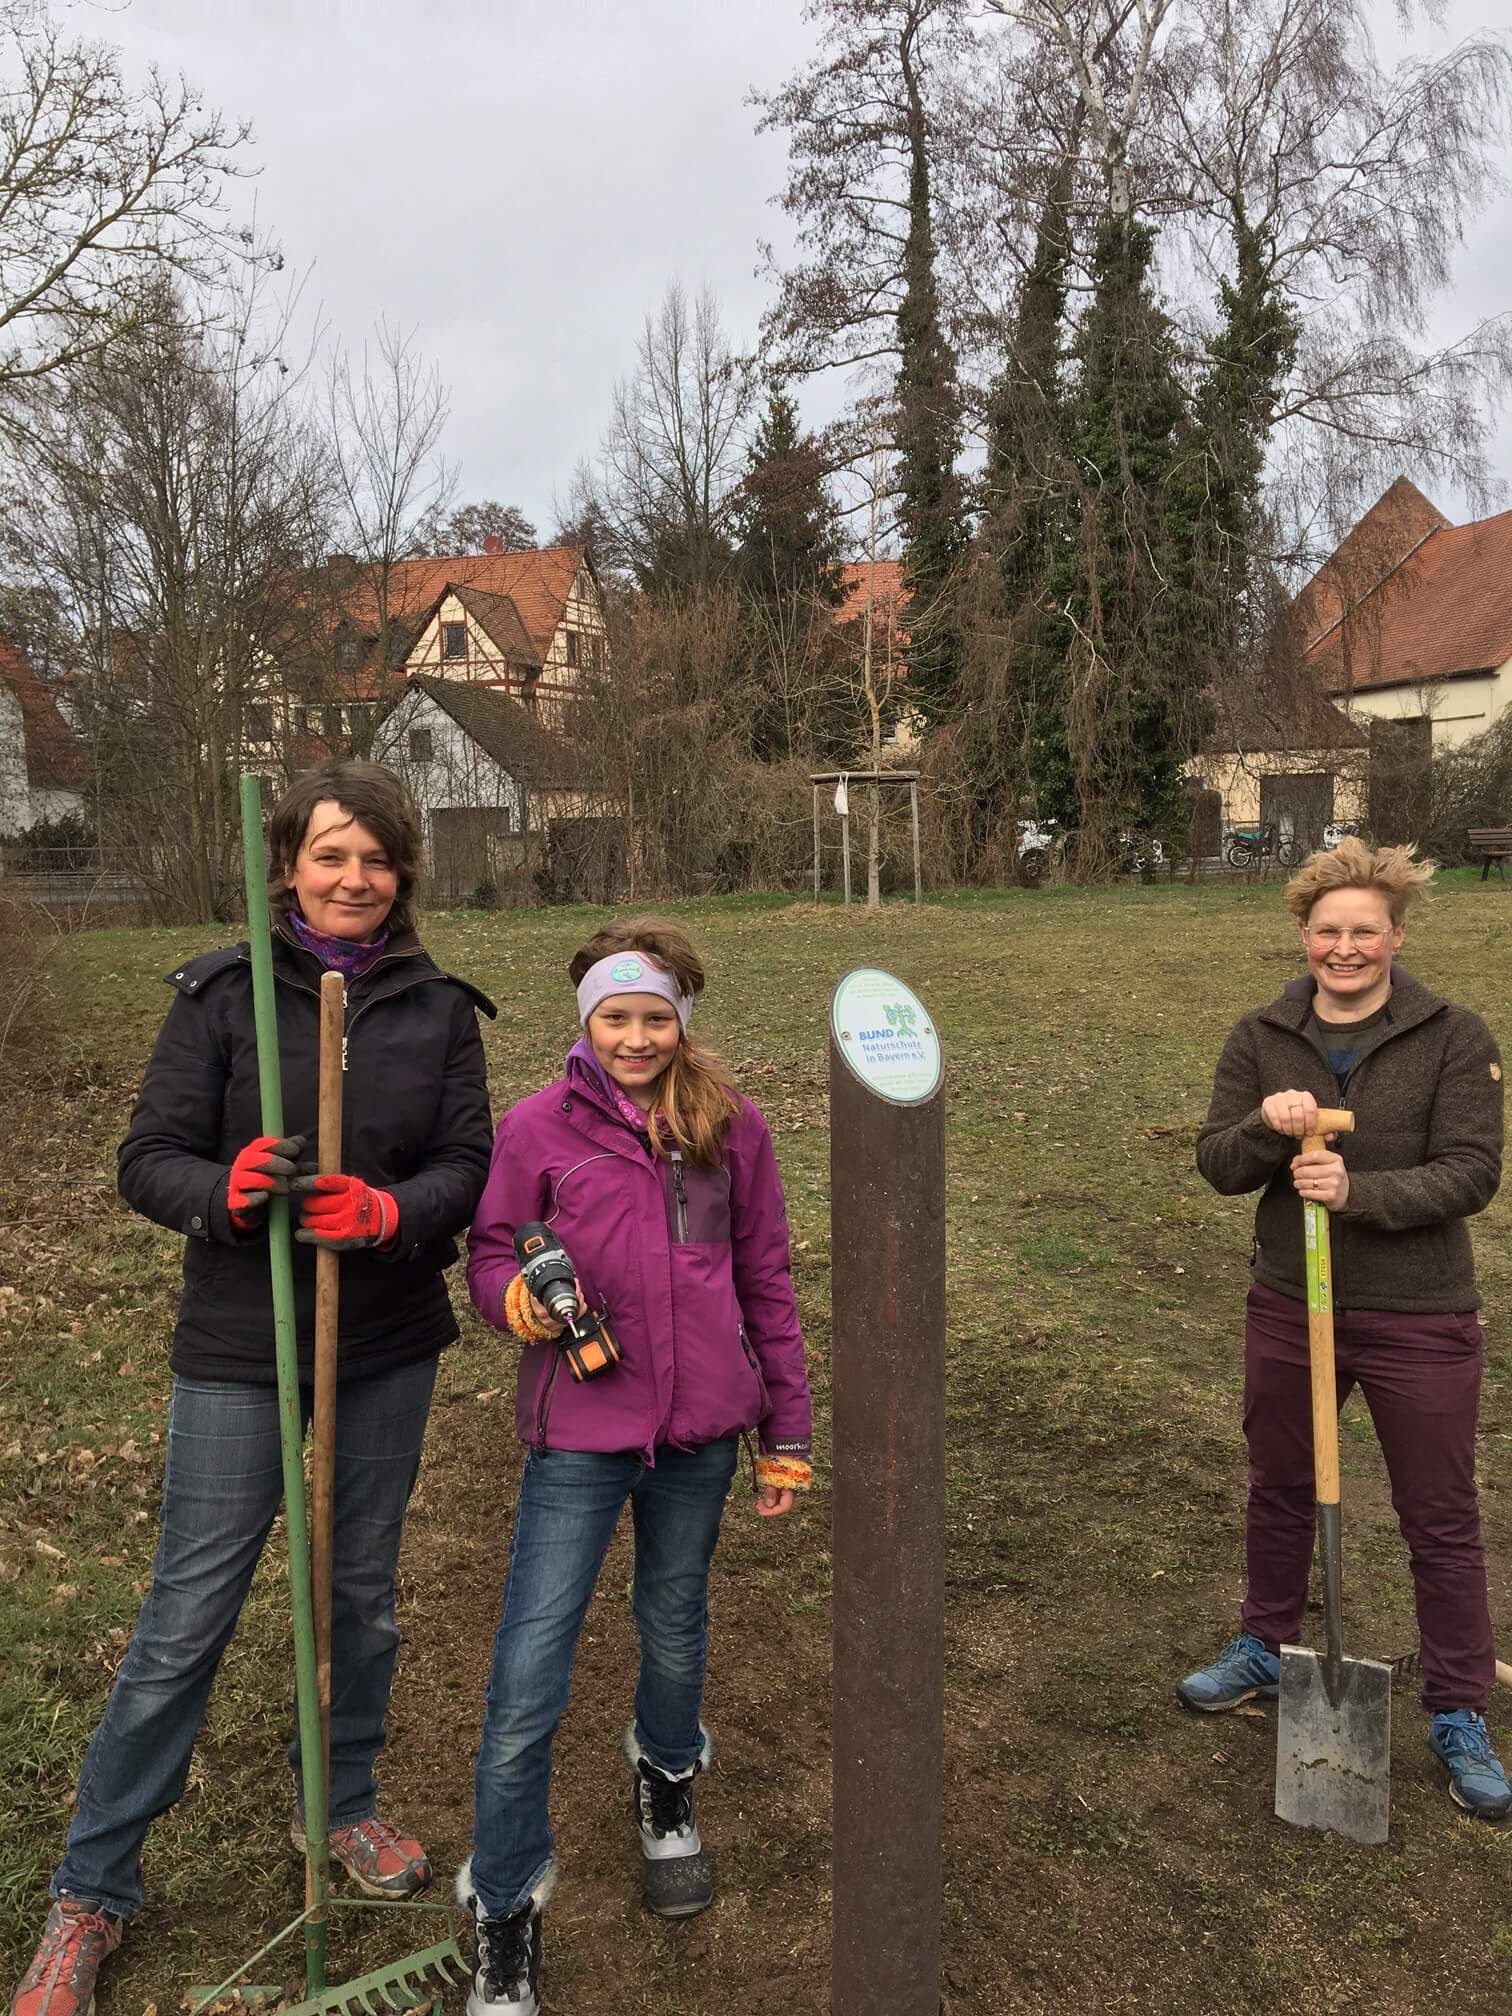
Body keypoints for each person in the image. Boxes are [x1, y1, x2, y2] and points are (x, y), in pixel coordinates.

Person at [12, 761, 494, 2016]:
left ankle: (340, 1806)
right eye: (330, 856)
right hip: (242, 1344)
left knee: (359, 1596)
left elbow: (467, 1168)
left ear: (403, 874)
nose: (353, 879)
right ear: (287, 865)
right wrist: (222, 1194)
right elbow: (147, 1158)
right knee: (188, 1618)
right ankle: (92, 1890)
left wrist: (389, 1212)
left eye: (376, 859)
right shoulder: (224, 995)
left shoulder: (436, 1006)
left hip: (384, 1345)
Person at [457, 917, 813, 2016]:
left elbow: (767, 1279)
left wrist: (786, 1432)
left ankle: (666, 1780)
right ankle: (505, 1903)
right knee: (528, 1677)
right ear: (586, 1020)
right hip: (578, 1439)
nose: (636, 1036)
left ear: (683, 1021)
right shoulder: (534, 1130)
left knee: (673, 1622)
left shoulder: (727, 1128)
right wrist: (510, 1298)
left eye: (656, 1016)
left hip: (700, 1436)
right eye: (617, 1016)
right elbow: (486, 1249)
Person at [1177, 837, 1508, 1820]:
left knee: (1439, 1519)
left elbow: (1473, 1170)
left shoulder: (1456, 1036)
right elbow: (1216, 1162)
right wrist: (1266, 1131)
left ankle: (1457, 1709)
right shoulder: (1262, 1035)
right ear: (1305, 934)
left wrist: (1358, 1190)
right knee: (1280, 1485)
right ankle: (1267, 1648)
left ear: (1396, 936)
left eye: (1366, 931)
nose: (1346, 948)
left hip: (1419, 1314)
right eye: (1329, 930)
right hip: (1291, 1301)